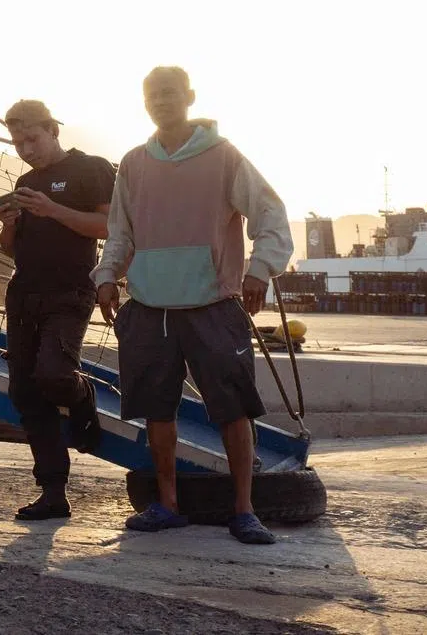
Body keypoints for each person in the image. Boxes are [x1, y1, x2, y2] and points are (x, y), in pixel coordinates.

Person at [92, 66, 293, 545]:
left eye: (169, 92)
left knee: (232, 409)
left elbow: (271, 214)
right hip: (148, 306)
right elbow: (120, 233)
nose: (161, 100)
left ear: (189, 97)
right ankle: (166, 504)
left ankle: (244, 510)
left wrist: (259, 270)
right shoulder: (135, 163)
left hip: (213, 304)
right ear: (145, 103)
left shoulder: (223, 157)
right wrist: (105, 277)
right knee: (158, 411)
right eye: (152, 95)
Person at [0, 99, 116, 521]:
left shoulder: (91, 169)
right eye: (17, 141)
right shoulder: (26, 179)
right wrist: (10, 223)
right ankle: (53, 492)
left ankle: (83, 393)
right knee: (24, 391)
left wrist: (51, 209)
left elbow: (107, 228)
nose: (25, 148)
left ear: (53, 130)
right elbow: (10, 249)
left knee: (54, 374)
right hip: (24, 291)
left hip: (70, 291)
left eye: (32, 137)